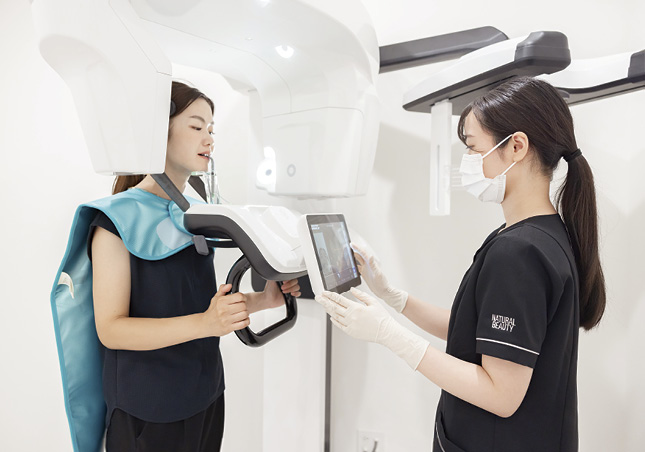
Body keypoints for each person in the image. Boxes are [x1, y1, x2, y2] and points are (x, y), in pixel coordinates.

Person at [316, 76, 606, 452]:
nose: (467, 161)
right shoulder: (540, 234)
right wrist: (394, 297)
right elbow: (481, 333)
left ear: (516, 146)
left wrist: (390, 335)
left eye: (473, 148)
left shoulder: (519, 253)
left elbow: (501, 394)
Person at [53, 81, 301, 452]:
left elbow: (203, 308)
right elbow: (111, 329)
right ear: (158, 132)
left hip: (206, 397)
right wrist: (206, 323)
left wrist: (264, 300)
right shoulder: (116, 220)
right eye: (197, 126)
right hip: (148, 410)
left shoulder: (197, 212)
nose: (209, 139)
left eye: (211, 130)